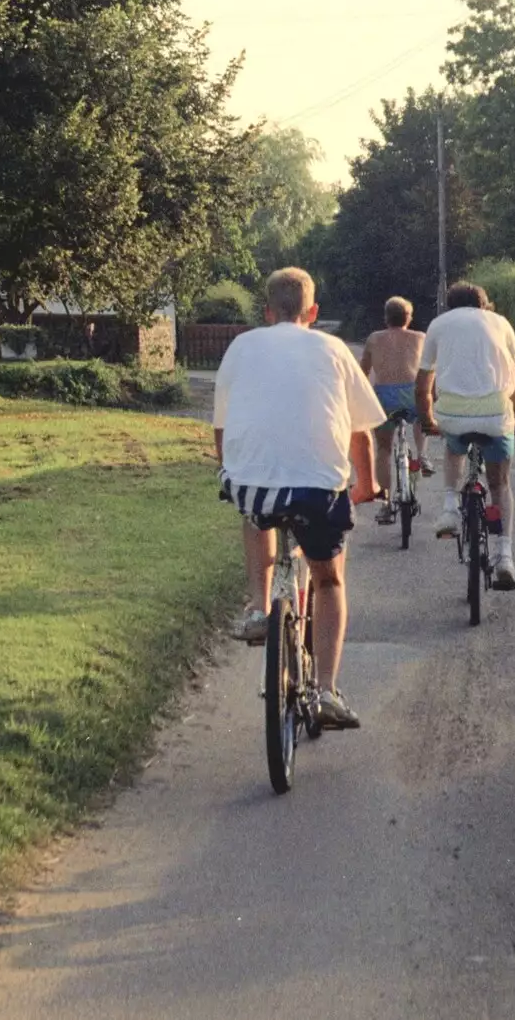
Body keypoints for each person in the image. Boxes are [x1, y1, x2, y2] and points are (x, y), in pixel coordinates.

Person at [214, 268, 384, 729]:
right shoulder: (332, 349)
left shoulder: (242, 346)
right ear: (313, 312)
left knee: (255, 511)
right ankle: (327, 690)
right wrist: (366, 487)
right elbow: (362, 435)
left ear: (267, 312)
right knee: (329, 581)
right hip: (316, 489)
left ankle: (257, 607)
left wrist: (233, 471)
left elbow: (222, 431)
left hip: (250, 482)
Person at [415, 281, 515, 590]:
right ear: (484, 304)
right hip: (495, 414)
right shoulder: (502, 324)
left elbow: (424, 382)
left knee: (454, 448)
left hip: (453, 413)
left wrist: (427, 420)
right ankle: (505, 556)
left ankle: (451, 508)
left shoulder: (439, 324)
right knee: (501, 484)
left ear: (449, 305)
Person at [359, 296, 431, 526]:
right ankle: (422, 455)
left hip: (385, 397)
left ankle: (387, 503)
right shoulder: (421, 337)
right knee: (421, 413)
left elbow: (363, 372)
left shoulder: (374, 339)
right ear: (409, 318)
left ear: (386, 317)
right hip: (411, 393)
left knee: (384, 448)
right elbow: (429, 372)